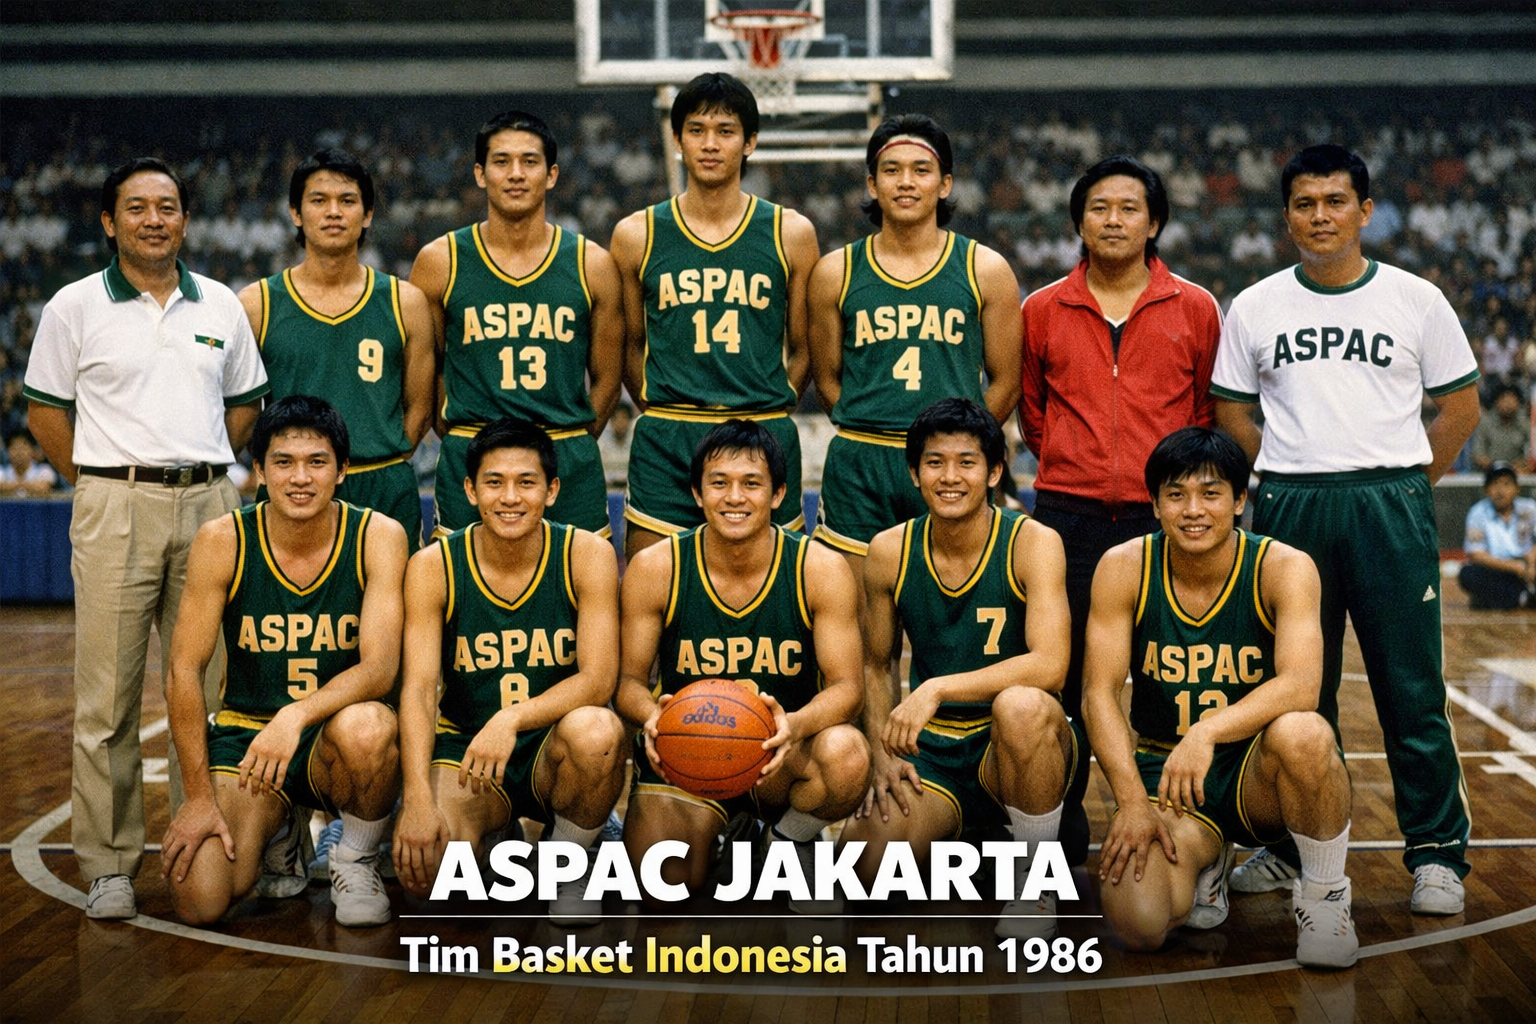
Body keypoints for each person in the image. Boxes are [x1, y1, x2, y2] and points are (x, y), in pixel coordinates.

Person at [1213, 143, 1481, 913]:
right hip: (1293, 503)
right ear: (1287, 214)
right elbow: (1232, 412)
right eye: (1305, 203)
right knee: (1296, 692)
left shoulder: (1416, 299)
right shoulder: (1257, 304)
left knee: (1411, 688)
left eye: (1336, 201)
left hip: (1390, 501)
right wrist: (1284, 472)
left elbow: (1458, 408)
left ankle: (1437, 854)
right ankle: (1292, 846)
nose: (1320, 215)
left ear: (1365, 211)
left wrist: (1403, 481)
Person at [23, 157, 270, 919]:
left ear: (185, 220)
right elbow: (45, 414)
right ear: (109, 221)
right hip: (113, 504)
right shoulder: (73, 306)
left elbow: (243, 409)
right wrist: (103, 482)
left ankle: (221, 837)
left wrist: (199, 472)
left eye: (167, 206)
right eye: (137, 208)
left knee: (217, 686)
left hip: (208, 505)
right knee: (109, 699)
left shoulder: (222, 305)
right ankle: (108, 865)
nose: (154, 219)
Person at [1083, 426, 1357, 969]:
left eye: (1210, 494)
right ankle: (1208, 865)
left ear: (1238, 501)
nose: (1193, 510)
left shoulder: (1283, 566)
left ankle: (1326, 897)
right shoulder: (1124, 566)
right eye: (1176, 494)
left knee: (1304, 730)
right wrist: (1134, 803)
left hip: (1259, 769)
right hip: (1171, 775)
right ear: (1155, 503)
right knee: (1138, 924)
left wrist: (1208, 730)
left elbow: (1304, 684)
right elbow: (1099, 693)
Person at [1018, 154, 1223, 865]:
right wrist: (1078, 467)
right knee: (1071, 682)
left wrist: (1163, 488)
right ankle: (1063, 835)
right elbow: (1032, 417)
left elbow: (1203, 413)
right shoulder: (1041, 308)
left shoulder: (1195, 307)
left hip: (1164, 520)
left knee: (1168, 679)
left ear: (1155, 222)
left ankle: (1188, 832)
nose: (1113, 219)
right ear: (1078, 221)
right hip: (1066, 518)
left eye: (1129, 208)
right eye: (1099, 207)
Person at [159, 396, 408, 928]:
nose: (300, 478)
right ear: (258, 471)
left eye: (317, 462)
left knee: (371, 724)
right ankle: (281, 830)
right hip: (250, 740)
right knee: (200, 899)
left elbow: (380, 669)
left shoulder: (378, 536)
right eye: (283, 462)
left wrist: (293, 717)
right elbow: (183, 670)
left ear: (343, 470)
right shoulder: (223, 539)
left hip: (332, 739)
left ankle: (355, 857)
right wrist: (198, 798)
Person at [838, 398, 1073, 939]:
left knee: (1021, 704)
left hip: (1016, 741)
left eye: (966, 462)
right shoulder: (889, 551)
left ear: (994, 471)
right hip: (936, 756)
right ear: (914, 472)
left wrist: (938, 686)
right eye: (934, 462)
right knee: (861, 874)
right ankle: (969, 839)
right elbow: (875, 665)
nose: (950, 477)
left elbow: (1051, 665)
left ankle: (1036, 883)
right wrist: (879, 752)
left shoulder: (1033, 542)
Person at [616, 419, 868, 909]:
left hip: (778, 757)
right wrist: (651, 717)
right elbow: (627, 681)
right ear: (696, 493)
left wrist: (794, 725)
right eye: (719, 484)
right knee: (660, 886)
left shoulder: (819, 568)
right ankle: (733, 836)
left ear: (777, 495)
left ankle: (790, 840)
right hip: (688, 758)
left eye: (751, 484)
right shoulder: (656, 568)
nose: (735, 497)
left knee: (847, 754)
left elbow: (846, 689)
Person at [391, 417, 624, 924]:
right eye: (494, 482)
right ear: (470, 490)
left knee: (600, 730)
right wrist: (415, 800)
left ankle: (569, 858)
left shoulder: (587, 554)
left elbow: (599, 679)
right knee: (430, 876)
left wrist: (512, 718)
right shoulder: (434, 565)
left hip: (551, 744)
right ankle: (497, 834)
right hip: (467, 750)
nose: (510, 497)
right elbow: (417, 689)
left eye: (526, 482)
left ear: (553, 489)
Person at [610, 73, 821, 556]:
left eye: (725, 131)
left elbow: (806, 347)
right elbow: (630, 346)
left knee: (775, 594)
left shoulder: (791, 231)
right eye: (697, 129)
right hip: (668, 433)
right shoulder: (635, 234)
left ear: (749, 142)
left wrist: (772, 405)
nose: (710, 144)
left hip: (762, 428)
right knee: (651, 589)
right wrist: (664, 411)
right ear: (678, 138)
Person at [808, 115, 1022, 591]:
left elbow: (1007, 381)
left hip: (946, 464)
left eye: (921, 170)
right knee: (857, 635)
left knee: (948, 623)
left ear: (945, 184)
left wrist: (960, 446)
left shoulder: (985, 268)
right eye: (891, 170)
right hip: (862, 460)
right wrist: (869, 421)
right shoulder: (834, 272)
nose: (906, 182)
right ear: (872, 182)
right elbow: (826, 381)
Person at [412, 110, 625, 538]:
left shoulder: (592, 264)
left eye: (530, 162)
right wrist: (461, 437)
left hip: (566, 453)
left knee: (581, 591)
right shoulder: (439, 262)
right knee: (461, 594)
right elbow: (424, 373)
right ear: (479, 173)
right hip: (472, 453)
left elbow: (608, 378)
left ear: (551, 175)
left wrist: (571, 440)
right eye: (501, 161)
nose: (515, 174)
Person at [240, 148, 435, 551]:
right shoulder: (256, 304)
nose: (333, 212)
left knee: (393, 612)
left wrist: (380, 455)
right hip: (294, 486)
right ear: (296, 213)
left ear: (367, 215)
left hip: (382, 481)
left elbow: (421, 407)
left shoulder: (405, 301)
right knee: (296, 613)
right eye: (318, 201)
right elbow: (242, 412)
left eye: (347, 201)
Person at [1460, 461, 1536, 609]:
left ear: (1517, 488)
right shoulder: (1477, 513)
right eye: (1495, 484)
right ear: (1487, 489)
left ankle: (1499, 600)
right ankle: (1523, 598)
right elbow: (1476, 554)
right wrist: (1516, 567)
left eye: (1507, 484)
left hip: (1528, 565)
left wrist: (1531, 563)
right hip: (1496, 567)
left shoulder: (1530, 508)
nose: (1501, 491)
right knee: (1467, 574)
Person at [1470, 384, 1532, 473]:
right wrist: (1497, 467)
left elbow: (1531, 454)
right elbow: (1478, 454)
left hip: (1518, 473)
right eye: (1504, 399)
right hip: (1489, 473)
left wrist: (1523, 464)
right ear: (1496, 402)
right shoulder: (1485, 423)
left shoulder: (1525, 423)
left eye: (1512, 399)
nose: (1508, 403)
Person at [0, 429, 58, 495]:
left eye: (23, 448)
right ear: (8, 452)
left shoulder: (44, 470)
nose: (19, 453)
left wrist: (12, 486)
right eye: (15, 448)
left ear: (32, 451)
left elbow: (43, 487)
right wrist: (27, 486)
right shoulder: (2, 471)